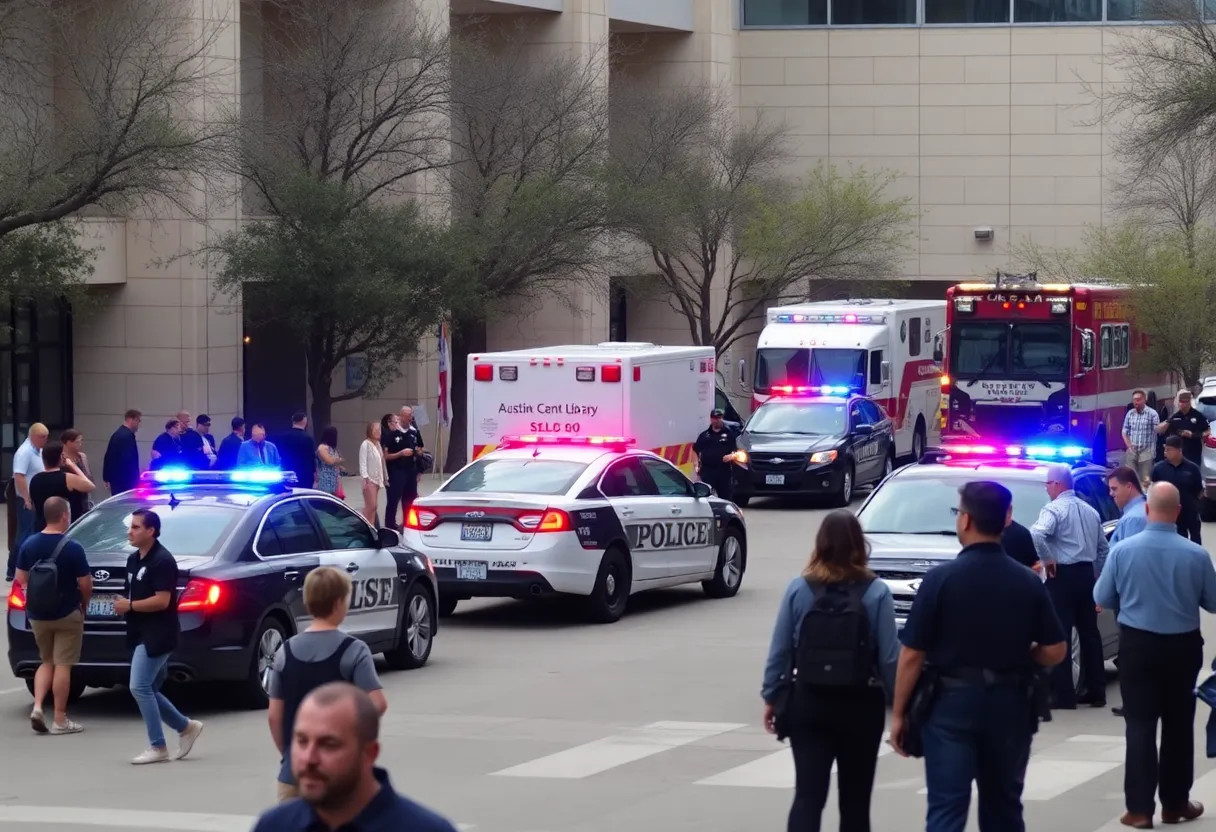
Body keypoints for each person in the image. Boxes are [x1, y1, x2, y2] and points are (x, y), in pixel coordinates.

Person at [890, 481, 1066, 832]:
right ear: (1006, 521)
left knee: (946, 807)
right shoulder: (1026, 581)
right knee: (1003, 807)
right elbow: (1056, 650)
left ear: (966, 521)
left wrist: (899, 715)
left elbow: (912, 653)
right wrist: (1026, 657)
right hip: (1011, 703)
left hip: (950, 705)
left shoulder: (940, 580)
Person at [761, 509, 898, 832]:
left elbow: (780, 650)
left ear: (820, 543)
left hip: (808, 701)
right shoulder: (876, 591)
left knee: (808, 796)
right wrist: (901, 704)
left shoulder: (800, 588)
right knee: (855, 801)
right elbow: (890, 656)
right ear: (859, 545)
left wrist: (772, 696)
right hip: (861, 705)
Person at [1093, 482, 1216, 828]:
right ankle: (1175, 803)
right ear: (1178, 512)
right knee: (1178, 727)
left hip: (1138, 647)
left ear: (1147, 510)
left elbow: (1103, 595)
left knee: (1141, 726)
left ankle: (1139, 809)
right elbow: (1213, 602)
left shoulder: (1123, 551)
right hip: (1183, 648)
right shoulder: (1196, 554)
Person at [250, 682, 460, 832]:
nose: (309, 758)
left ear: (369, 753)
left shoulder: (425, 829)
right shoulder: (274, 826)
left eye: (329, 744)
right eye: (302, 741)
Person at [267, 567, 387, 802]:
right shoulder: (354, 650)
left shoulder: (285, 651)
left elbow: (274, 716)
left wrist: (290, 753)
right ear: (340, 603)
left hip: (293, 774)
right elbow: (378, 703)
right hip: (340, 778)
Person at [114, 509, 204, 765]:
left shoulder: (162, 561)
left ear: (151, 531)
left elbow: (163, 601)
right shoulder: (133, 560)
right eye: (130, 527)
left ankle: (158, 746)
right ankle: (186, 727)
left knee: (139, 686)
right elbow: (132, 593)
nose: (130, 532)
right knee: (150, 688)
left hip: (159, 634)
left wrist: (129, 606)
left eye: (136, 527)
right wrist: (123, 604)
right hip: (139, 631)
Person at [1029, 463, 1109, 709]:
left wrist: (1048, 559)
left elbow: (1037, 533)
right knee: (1090, 634)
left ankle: (1063, 695)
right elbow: (1103, 549)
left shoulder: (1053, 510)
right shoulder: (1090, 511)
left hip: (1061, 576)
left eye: (1047, 485)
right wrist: (1098, 576)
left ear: (1057, 484)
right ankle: (1096, 691)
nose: (1046, 490)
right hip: (1086, 575)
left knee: (1060, 634)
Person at [14, 496, 91, 735]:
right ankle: (59, 719)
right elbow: (86, 584)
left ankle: (38, 707)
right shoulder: (73, 547)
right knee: (63, 665)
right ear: (65, 516)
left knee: (46, 661)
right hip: (67, 613)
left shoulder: (29, 544)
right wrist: (84, 605)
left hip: (37, 614)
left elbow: (20, 579)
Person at [8, 423, 50, 581]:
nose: (45, 440)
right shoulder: (24, 452)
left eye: (46, 437)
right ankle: (13, 568)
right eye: (42, 437)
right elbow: (19, 476)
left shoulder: (37, 450)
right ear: (32, 436)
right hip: (27, 500)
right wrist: (26, 498)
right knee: (25, 535)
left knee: (31, 533)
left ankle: (22, 565)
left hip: (36, 499)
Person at [29, 441, 95, 531]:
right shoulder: (67, 479)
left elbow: (33, 505)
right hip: (65, 529)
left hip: (41, 527)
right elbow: (90, 486)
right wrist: (73, 466)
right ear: (61, 457)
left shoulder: (35, 479)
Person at [1151, 436, 1204, 543]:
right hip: (1172, 513)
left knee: (1196, 540)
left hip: (1190, 511)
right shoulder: (1159, 468)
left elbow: (1199, 490)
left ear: (1179, 450)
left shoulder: (1192, 468)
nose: (1165, 452)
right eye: (1165, 449)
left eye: (1169, 450)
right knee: (1179, 540)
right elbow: (1154, 489)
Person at [694, 408, 740, 502]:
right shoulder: (705, 435)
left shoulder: (729, 434)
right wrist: (696, 465)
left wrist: (731, 456)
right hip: (707, 471)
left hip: (723, 471)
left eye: (719, 418)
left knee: (725, 497)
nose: (718, 420)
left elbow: (735, 452)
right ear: (711, 419)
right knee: (705, 497)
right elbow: (695, 450)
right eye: (715, 418)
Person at [379, 413, 415, 531]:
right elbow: (386, 456)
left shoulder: (409, 433)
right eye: (395, 421)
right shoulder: (387, 436)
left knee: (409, 498)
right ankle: (390, 524)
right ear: (389, 423)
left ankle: (407, 522)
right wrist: (401, 453)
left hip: (409, 471)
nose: (397, 424)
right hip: (394, 472)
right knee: (393, 498)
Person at [1157, 389, 1210, 466]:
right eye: (1181, 402)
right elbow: (1160, 431)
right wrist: (1168, 421)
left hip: (1193, 453)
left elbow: (1207, 432)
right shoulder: (1174, 417)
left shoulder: (1198, 415)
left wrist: (1193, 435)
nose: (1182, 404)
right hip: (1177, 454)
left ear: (1189, 402)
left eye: (1185, 402)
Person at [1122, 390, 1160, 488]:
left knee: (1145, 480)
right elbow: (1124, 431)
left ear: (1144, 400)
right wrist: (1128, 445)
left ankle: (1146, 499)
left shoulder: (1152, 414)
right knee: (1130, 478)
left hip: (1146, 451)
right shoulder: (1130, 414)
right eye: (1134, 400)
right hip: (1132, 451)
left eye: (1138, 399)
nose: (1136, 402)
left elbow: (1157, 430)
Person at [102, 409, 142, 496]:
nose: (139, 425)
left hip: (118, 480)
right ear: (131, 420)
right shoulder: (125, 436)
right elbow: (128, 461)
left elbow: (109, 457)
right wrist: (135, 480)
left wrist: (107, 478)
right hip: (124, 482)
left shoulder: (119, 434)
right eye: (138, 421)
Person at [1108, 465, 1148, 545]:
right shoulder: (1142, 510)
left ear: (1128, 486)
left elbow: (1131, 556)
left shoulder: (1133, 519)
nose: (1111, 493)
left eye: (1114, 489)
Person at [277, 411, 318, 488]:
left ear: (293, 421)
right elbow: (312, 458)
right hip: (305, 474)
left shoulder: (282, 437)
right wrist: (315, 476)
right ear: (304, 421)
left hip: (286, 472)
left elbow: (279, 455)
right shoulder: (308, 438)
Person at [359, 421, 386, 526]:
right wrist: (365, 478)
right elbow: (363, 462)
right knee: (371, 506)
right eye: (376, 430)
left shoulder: (378, 444)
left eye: (379, 430)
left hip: (377, 478)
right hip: (369, 479)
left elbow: (381, 462)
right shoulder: (365, 444)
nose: (378, 432)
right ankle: (363, 525)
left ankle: (372, 528)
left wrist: (384, 477)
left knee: (374, 507)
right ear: (370, 431)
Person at [315, 427, 343, 498]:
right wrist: (338, 460)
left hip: (334, 478)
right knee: (326, 497)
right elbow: (328, 461)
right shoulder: (322, 447)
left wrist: (339, 466)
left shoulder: (332, 448)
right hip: (325, 477)